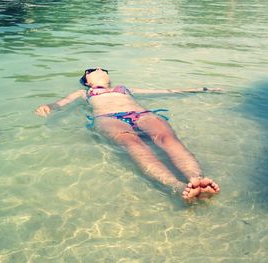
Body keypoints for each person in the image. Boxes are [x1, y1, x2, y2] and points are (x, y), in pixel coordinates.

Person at [35, 67, 220, 201]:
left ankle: (196, 179)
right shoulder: (84, 93)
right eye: (91, 70)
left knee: (168, 138)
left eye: (102, 68)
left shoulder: (124, 88)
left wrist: (201, 90)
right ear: (87, 80)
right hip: (108, 118)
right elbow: (62, 103)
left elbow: (166, 91)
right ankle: (177, 187)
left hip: (142, 115)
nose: (99, 69)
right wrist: (48, 107)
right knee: (133, 144)